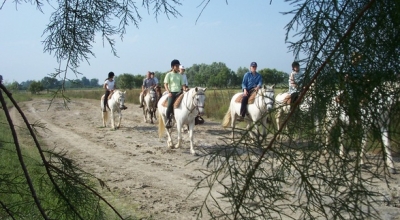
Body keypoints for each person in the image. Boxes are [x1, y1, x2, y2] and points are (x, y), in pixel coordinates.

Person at [164, 59, 183, 128]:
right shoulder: (169, 75)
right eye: (177, 66)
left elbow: (183, 85)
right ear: (173, 67)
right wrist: (169, 92)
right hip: (172, 92)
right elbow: (165, 84)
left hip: (179, 92)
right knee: (169, 105)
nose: (178, 67)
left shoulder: (180, 75)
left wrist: (185, 89)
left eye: (178, 66)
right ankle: (167, 120)